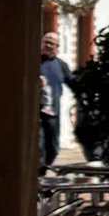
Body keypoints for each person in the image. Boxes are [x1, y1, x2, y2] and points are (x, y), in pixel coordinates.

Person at [37, 38, 67, 170]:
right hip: (38, 113)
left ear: (57, 47)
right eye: (46, 42)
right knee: (39, 144)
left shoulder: (60, 65)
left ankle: (46, 165)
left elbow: (73, 82)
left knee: (53, 147)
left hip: (53, 113)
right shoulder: (34, 62)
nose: (48, 45)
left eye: (52, 43)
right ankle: (40, 171)